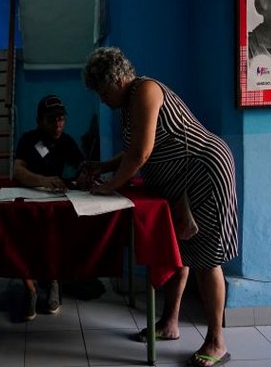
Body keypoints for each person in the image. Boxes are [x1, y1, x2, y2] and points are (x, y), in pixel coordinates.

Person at [81, 47, 238, 367]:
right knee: (179, 252)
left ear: (116, 80)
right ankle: (170, 323)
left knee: (207, 259)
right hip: (180, 184)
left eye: (102, 91)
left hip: (204, 174)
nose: (102, 100)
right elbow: (136, 151)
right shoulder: (128, 105)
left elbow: (140, 153)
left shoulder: (146, 90)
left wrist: (111, 186)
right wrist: (104, 166)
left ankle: (216, 340)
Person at [13, 94, 85, 321]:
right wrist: (43, 180)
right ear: (39, 120)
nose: (58, 125)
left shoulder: (67, 141)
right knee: (21, 235)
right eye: (52, 120)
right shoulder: (28, 139)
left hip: (54, 204)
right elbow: (18, 171)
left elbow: (81, 165)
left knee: (58, 233)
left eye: (61, 119)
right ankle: (30, 287)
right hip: (28, 201)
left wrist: (84, 175)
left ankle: (53, 280)